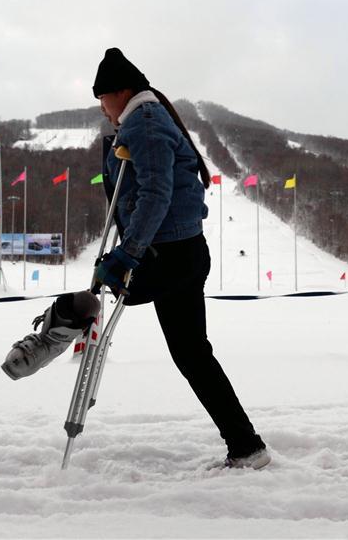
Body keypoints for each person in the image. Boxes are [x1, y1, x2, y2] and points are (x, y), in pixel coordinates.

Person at [90, 48, 269, 469]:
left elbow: (156, 192)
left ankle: (47, 339)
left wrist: (126, 254)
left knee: (89, 302)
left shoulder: (146, 124)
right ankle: (246, 445)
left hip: (165, 255)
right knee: (192, 353)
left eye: (102, 99)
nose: (102, 109)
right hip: (182, 252)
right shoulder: (145, 119)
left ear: (121, 91)